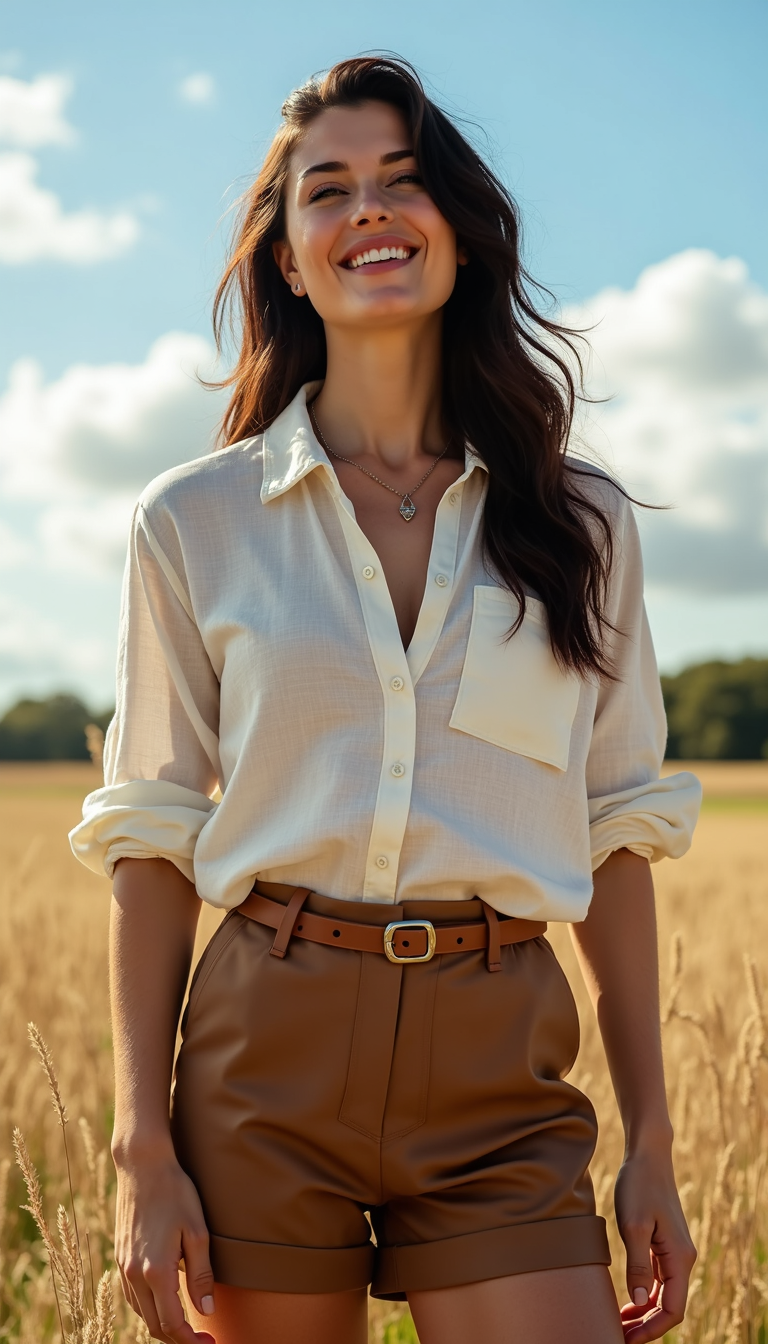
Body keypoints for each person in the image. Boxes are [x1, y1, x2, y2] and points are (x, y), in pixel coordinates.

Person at [70, 55, 702, 1344]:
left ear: (459, 238)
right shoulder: (193, 522)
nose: (368, 209)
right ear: (290, 259)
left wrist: (654, 1143)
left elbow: (617, 831)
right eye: (328, 190)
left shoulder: (582, 524)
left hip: (499, 1064)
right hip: (265, 1054)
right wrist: (145, 1150)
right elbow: (150, 839)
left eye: (402, 183)